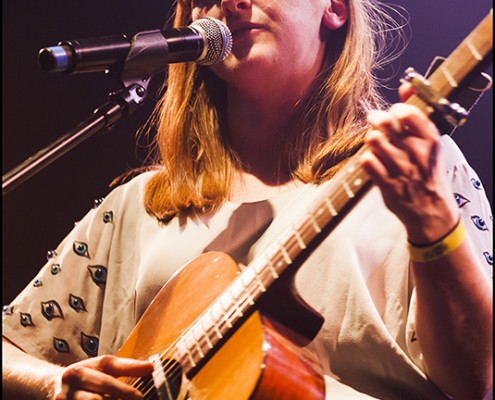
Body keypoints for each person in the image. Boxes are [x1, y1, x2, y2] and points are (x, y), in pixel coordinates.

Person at [2, 0, 492, 399]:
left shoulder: (414, 167)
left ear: (336, 8)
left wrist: (433, 223)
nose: (231, 2)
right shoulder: (143, 202)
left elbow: (477, 380)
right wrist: (53, 384)